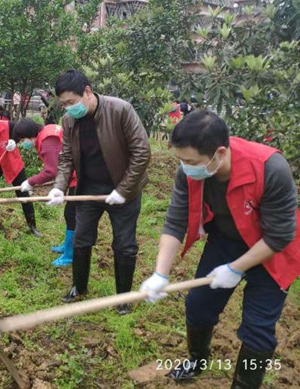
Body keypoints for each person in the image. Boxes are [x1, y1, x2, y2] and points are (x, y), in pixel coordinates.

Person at [140, 110, 299, 389]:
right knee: (198, 306)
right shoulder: (189, 171)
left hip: (272, 250)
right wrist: (160, 274)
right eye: (181, 160)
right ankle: (197, 359)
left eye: (191, 161)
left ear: (220, 152)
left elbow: (280, 235)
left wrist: (236, 268)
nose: (185, 167)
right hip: (225, 241)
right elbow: (175, 222)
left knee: (258, 329)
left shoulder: (269, 168)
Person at [46, 69, 151, 313]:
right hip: (88, 190)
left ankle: (122, 298)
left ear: (88, 92)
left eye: (71, 102)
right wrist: (59, 187)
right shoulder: (69, 121)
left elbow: (141, 152)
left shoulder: (120, 110)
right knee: (82, 239)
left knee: (124, 244)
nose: (68, 108)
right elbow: (66, 157)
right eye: (63, 104)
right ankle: (78, 287)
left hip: (123, 188)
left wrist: (124, 190)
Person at [13, 118, 77, 266]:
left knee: (72, 214)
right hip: (73, 174)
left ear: (29, 135)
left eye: (22, 140)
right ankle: (67, 246)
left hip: (80, 176)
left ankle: (70, 254)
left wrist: (30, 182)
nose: (23, 144)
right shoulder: (47, 131)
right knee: (71, 214)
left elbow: (51, 171)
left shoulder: (47, 141)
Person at [0, 103, 42, 237]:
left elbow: (20, 132)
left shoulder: (7, 125)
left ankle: (32, 226)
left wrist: (14, 141)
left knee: (23, 193)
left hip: (11, 162)